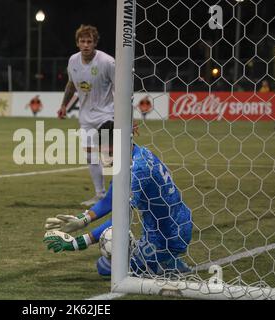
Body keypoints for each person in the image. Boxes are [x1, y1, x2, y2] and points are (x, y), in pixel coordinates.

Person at [44, 143, 193, 277]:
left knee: (105, 267)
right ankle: (162, 260)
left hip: (171, 233)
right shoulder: (132, 155)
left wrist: (79, 242)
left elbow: (121, 218)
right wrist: (83, 219)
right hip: (158, 228)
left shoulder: (138, 169)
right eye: (102, 152)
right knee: (106, 262)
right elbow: (110, 200)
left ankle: (167, 262)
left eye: (109, 152)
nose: (106, 158)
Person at [57, 25, 115, 207]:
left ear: (95, 43)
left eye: (89, 41)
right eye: (82, 41)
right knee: (91, 156)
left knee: (110, 156)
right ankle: (100, 195)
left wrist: (127, 114)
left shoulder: (107, 62)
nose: (86, 45)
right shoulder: (73, 61)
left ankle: (121, 194)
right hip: (86, 118)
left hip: (107, 115)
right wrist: (64, 105)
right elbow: (70, 85)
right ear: (77, 43)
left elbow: (120, 88)